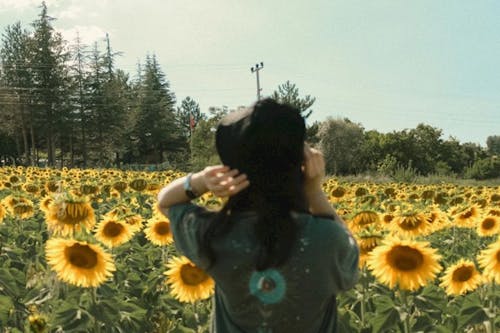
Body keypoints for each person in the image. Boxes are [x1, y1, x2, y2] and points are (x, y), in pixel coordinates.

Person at [157, 98, 359, 333]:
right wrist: (314, 192)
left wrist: (201, 181)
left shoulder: (214, 235)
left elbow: (166, 202)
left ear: (228, 169)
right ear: (301, 164)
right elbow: (349, 252)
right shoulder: (327, 239)